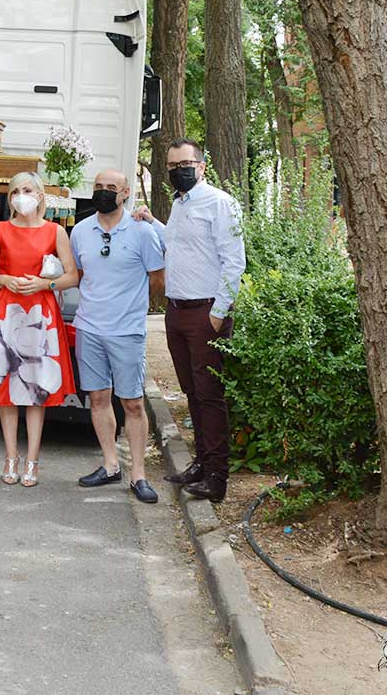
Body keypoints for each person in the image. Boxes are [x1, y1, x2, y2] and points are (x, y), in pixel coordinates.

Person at [135, 138, 246, 503]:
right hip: (177, 311)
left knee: (210, 396)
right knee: (192, 393)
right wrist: (152, 221)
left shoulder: (220, 203)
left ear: (201, 166)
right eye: (171, 166)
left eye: (183, 164)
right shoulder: (182, 205)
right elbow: (178, 242)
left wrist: (218, 314)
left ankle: (217, 477)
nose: (177, 171)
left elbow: (234, 261)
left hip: (205, 313)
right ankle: (201, 462)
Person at [0, 171, 78, 487]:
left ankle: (32, 460)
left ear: (41, 195)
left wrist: (44, 283)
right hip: (5, 309)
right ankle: (10, 457)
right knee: (6, 388)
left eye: (28, 189)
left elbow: (72, 276)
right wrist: (4, 279)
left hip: (40, 313)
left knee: (36, 388)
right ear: (9, 198)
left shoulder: (55, 232)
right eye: (16, 190)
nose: (22, 195)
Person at [70, 168, 165, 502]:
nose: (104, 191)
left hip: (127, 331)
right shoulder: (80, 231)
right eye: (98, 186)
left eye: (111, 187)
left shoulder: (142, 232)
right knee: (97, 398)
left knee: (133, 403)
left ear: (125, 193)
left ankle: (138, 474)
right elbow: (79, 274)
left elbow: (158, 276)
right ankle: (110, 464)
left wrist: (133, 307)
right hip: (89, 328)